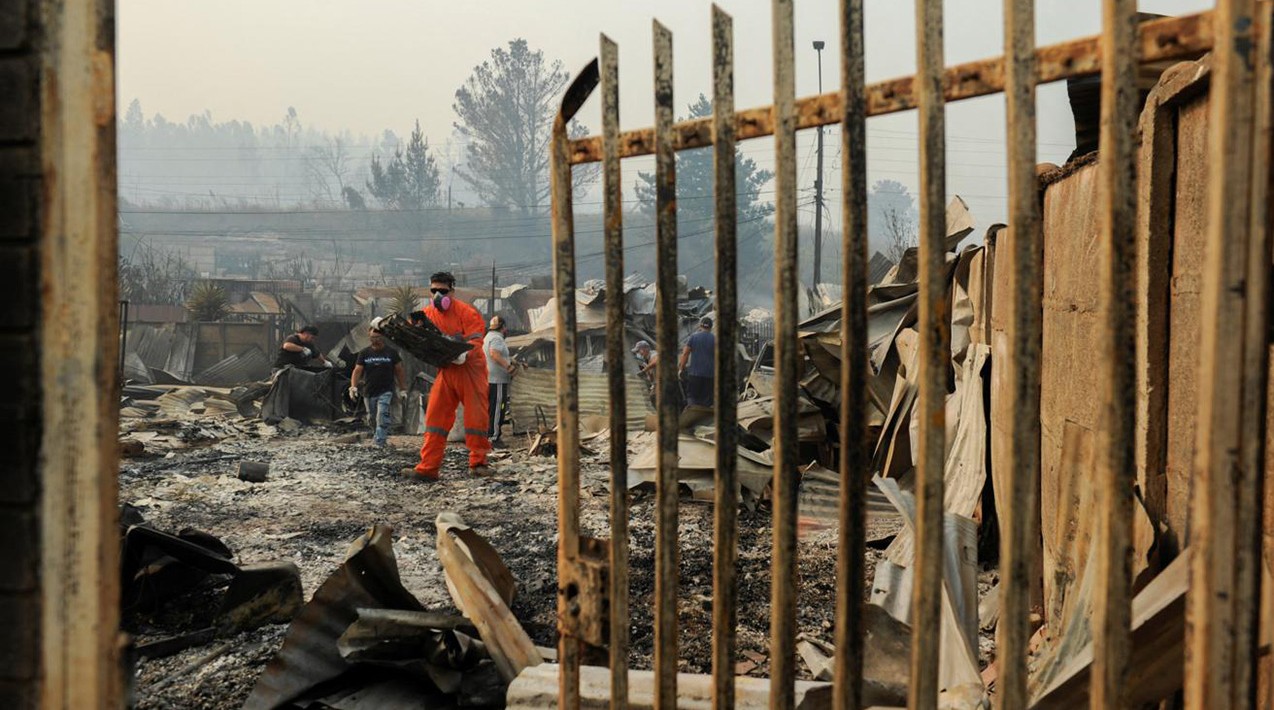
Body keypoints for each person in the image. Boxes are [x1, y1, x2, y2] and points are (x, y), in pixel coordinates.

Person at [404, 271, 491, 480]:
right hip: (447, 369)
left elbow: (476, 341)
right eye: (433, 290)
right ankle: (428, 468)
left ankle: (479, 463)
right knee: (435, 417)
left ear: (452, 291)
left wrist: (463, 351)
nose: (437, 295)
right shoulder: (427, 315)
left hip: (470, 368)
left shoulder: (467, 313)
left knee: (475, 417)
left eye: (442, 291)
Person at [349, 327, 406, 447]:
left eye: (378, 337)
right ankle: (377, 434)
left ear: (383, 337)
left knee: (382, 415)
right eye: (372, 337)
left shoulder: (391, 352)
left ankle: (380, 442)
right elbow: (357, 370)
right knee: (372, 418)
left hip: (386, 390)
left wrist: (403, 389)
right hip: (369, 391)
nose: (375, 340)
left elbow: (399, 371)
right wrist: (353, 387)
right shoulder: (364, 353)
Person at [483, 315, 516, 446]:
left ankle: (489, 435)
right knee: (498, 408)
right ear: (503, 327)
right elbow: (494, 354)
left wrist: (512, 361)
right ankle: (494, 437)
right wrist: (508, 367)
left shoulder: (488, 337)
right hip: (497, 380)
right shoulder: (497, 338)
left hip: (489, 378)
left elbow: (497, 355)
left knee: (491, 408)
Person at [678, 317, 716, 407]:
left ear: (700, 325)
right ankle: (704, 419)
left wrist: (681, 368)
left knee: (692, 397)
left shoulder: (694, 337)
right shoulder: (715, 339)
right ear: (711, 327)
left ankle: (692, 415)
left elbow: (685, 354)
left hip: (695, 374)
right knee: (707, 400)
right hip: (710, 375)